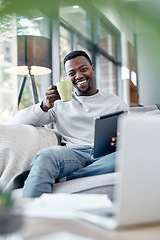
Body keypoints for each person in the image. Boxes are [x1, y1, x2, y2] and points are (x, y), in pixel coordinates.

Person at [12, 50, 128, 198]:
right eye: (72, 73)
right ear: (67, 77)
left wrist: (121, 140)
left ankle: (63, 178)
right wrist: (45, 105)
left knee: (126, 157)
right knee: (46, 155)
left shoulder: (115, 102)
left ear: (92, 68)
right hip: (74, 155)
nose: (78, 76)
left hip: (106, 156)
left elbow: (130, 135)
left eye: (83, 69)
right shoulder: (58, 103)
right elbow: (17, 122)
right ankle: (28, 215)